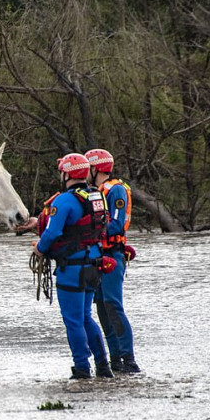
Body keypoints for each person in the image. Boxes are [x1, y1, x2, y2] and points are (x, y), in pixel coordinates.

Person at [33, 153, 113, 379]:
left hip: (72, 269)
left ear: (67, 173)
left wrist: (39, 249)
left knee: (74, 320)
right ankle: (103, 366)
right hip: (93, 265)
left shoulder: (64, 200)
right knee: (86, 316)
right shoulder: (98, 196)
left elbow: (53, 232)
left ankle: (81, 368)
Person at [85, 148, 141, 374]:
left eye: (87, 168)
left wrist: (89, 228)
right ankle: (115, 359)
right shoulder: (93, 191)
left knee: (113, 305)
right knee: (101, 306)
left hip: (112, 255)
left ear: (96, 168)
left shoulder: (115, 190)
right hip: (98, 256)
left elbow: (117, 225)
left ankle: (127, 358)